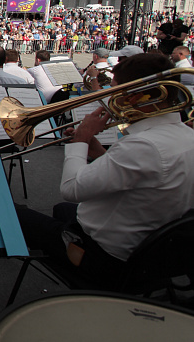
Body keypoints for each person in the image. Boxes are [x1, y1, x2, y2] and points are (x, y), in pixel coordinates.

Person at [16, 53, 194, 287]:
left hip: (104, 258)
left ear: (137, 96)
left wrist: (81, 138)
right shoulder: (186, 135)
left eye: (116, 88)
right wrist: (97, 151)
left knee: (14, 213)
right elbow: (141, 175)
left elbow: (71, 189)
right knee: (62, 209)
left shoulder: (142, 145)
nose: (110, 94)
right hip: (152, 250)